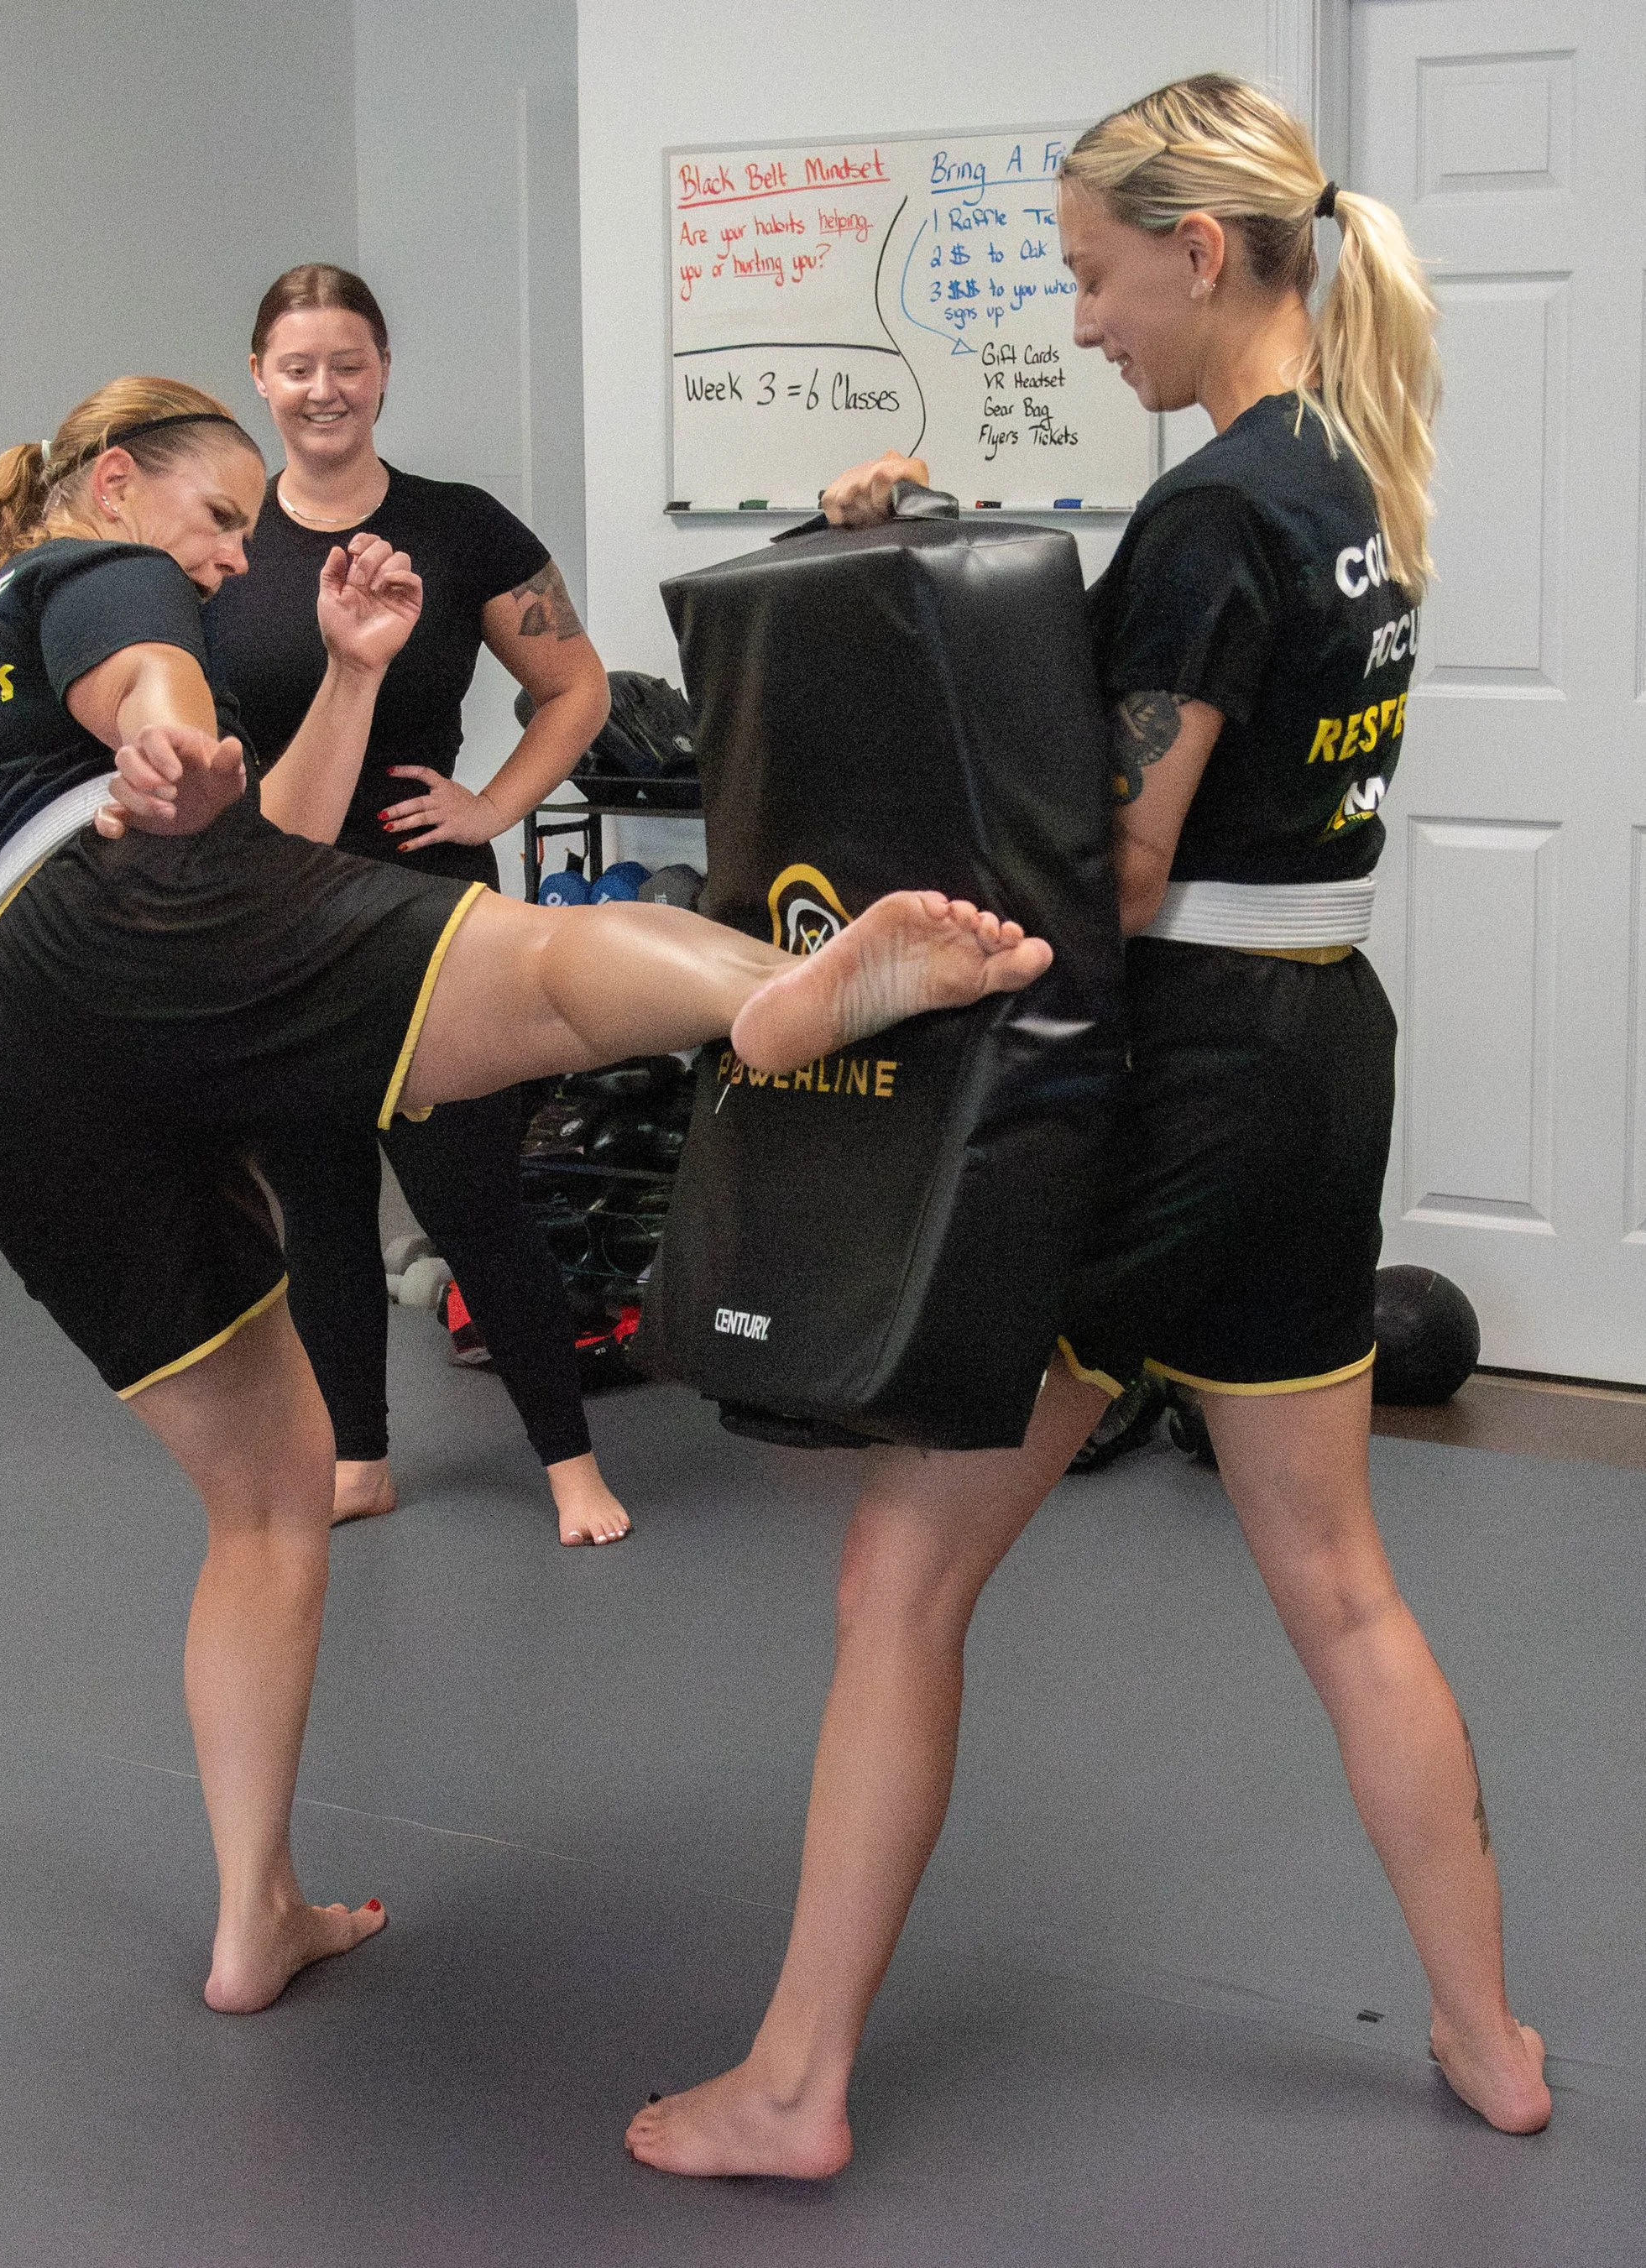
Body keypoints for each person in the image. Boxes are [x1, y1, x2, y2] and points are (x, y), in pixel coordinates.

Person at [0, 374, 1052, 2020]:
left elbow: (267, 844)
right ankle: (767, 991)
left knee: (267, 1498)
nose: (222, 560)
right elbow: (153, 687)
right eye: (215, 523)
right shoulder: (84, 569)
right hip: (112, 910)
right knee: (530, 974)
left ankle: (254, 1914)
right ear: (114, 481)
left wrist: (329, 680)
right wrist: (171, 736)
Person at [626, 74, 1551, 2180]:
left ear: (1196, 251)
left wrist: (892, 623)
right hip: (1317, 1050)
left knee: (896, 1578)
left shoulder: (1213, 505)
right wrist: (923, 560)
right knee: (1333, 1575)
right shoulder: (1349, 468)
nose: (1077, 322)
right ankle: (1489, 2037)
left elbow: (1109, 862)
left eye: (1086, 274)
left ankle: (791, 2088)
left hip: (1177, 1076)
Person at [206, 264, 627, 1546]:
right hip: (276, 908)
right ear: (261, 380)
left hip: (424, 908)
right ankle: (359, 1457)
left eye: (347, 362)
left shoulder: (459, 526)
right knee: (317, 1200)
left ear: (384, 371)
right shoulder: (228, 542)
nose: (323, 389)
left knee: (469, 1192)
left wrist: (491, 808)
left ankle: (570, 1465)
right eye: (297, 366)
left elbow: (577, 686)